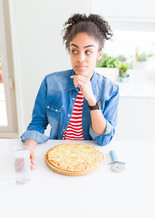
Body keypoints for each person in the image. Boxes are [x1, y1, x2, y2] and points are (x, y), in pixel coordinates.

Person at [21, 13, 119, 168]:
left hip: (91, 159)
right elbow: (38, 123)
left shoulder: (110, 90)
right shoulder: (51, 82)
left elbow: (104, 138)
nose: (80, 58)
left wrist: (91, 98)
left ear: (99, 54)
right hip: (58, 155)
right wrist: (27, 149)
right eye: (74, 51)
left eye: (88, 52)